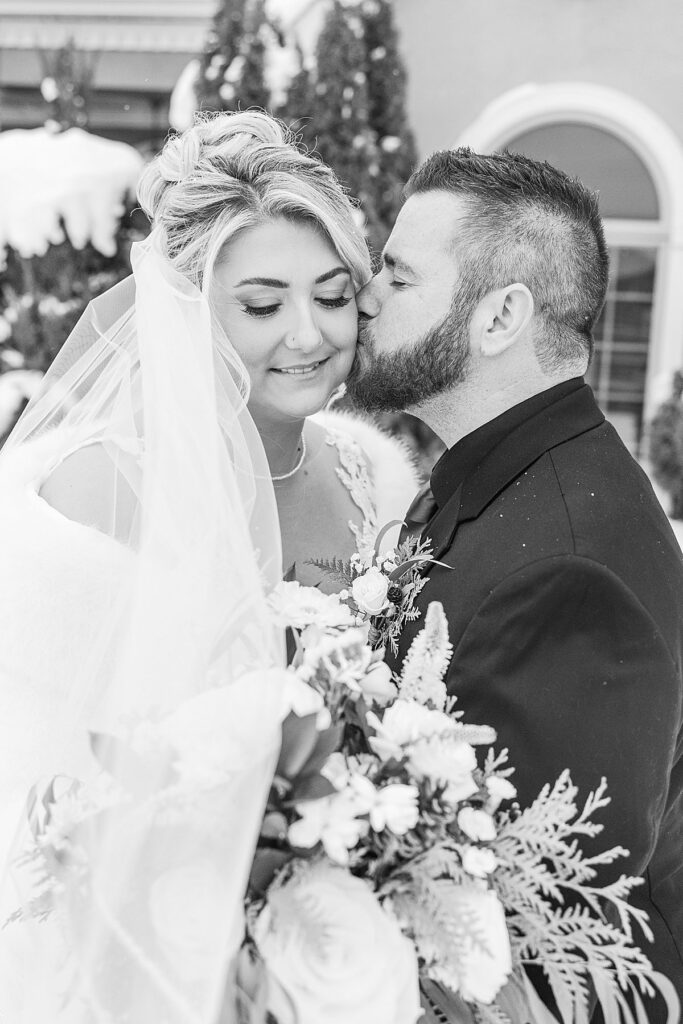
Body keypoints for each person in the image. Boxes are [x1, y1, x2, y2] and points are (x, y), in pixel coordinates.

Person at [0, 110, 415, 1021]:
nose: (307, 334)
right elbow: (41, 789)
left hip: (327, 943)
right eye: (262, 306)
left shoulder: (374, 481)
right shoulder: (100, 493)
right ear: (185, 310)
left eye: (332, 295)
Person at [347, 147, 683, 1020]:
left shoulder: (570, 567)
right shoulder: (497, 476)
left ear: (499, 316)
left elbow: (537, 933)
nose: (365, 294)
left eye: (398, 274)